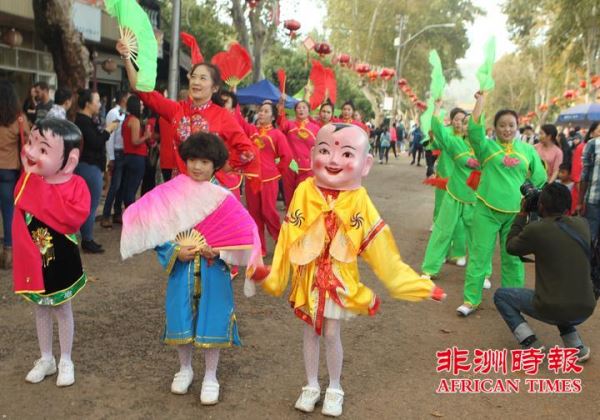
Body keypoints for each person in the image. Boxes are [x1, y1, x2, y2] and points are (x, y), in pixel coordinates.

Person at [252, 123, 445, 417]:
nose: (333, 160)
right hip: (309, 275)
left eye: (346, 154)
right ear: (313, 153)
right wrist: (275, 273)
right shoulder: (305, 190)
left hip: (338, 278)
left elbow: (382, 251)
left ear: (365, 164)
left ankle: (335, 387)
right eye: (325, 150)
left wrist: (415, 284)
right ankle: (311, 384)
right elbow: (289, 236)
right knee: (309, 331)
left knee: (331, 332)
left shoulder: (359, 199)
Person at [120, 132, 263, 405]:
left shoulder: (224, 198)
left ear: (215, 165)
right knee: (180, 316)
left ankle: (211, 375)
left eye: (205, 161)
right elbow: (156, 229)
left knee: (214, 317)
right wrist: (174, 250)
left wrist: (219, 251)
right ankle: (184, 368)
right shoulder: (170, 193)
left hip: (213, 268)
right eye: (193, 159)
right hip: (181, 269)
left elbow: (242, 235)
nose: (197, 166)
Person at [116, 40, 261, 199]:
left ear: (215, 88)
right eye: (194, 77)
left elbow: (248, 151)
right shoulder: (177, 110)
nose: (196, 82)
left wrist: (223, 167)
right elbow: (142, 90)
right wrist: (126, 56)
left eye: (203, 78)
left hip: (212, 191)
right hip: (182, 189)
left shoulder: (223, 116)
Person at [13, 118, 91, 387]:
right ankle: (46, 357)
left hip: (63, 260)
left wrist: (43, 191)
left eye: (43, 149)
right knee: (40, 308)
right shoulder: (28, 180)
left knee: (61, 307)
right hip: (35, 259)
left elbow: (74, 217)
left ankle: (66, 359)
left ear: (69, 161)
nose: (31, 152)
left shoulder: (76, 184)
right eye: (31, 142)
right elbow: (20, 208)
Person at [459, 91, 546, 316]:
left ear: (517, 127)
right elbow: (474, 129)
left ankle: (513, 300)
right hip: (486, 210)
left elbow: (540, 176)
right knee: (479, 255)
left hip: (516, 214)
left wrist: (527, 196)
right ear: (495, 128)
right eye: (502, 125)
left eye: (511, 125)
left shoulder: (528, 150)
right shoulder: (486, 147)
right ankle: (471, 300)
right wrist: (480, 100)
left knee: (513, 259)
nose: (507, 129)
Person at [495, 183, 595, 360]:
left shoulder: (536, 230)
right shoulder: (583, 225)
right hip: (586, 306)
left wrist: (522, 214)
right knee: (563, 295)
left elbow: (511, 247)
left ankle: (531, 344)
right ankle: (576, 348)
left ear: (540, 206)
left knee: (501, 296)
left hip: (553, 307)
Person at [421, 102, 478, 280]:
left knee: (479, 236)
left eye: (466, 121)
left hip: (474, 197)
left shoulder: (483, 145)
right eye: (460, 120)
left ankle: (480, 272)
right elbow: (437, 130)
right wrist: (436, 107)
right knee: (442, 228)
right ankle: (430, 268)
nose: (462, 124)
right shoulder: (453, 141)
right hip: (451, 191)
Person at [74, 89, 119, 254]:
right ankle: (87, 239)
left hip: (86, 165)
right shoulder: (83, 122)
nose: (99, 104)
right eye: (97, 101)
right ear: (88, 104)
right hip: (88, 166)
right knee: (90, 205)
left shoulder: (84, 120)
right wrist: (109, 130)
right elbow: (96, 141)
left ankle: (86, 237)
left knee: (85, 204)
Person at [246, 101, 292, 256]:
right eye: (260, 111)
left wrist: (277, 172)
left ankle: (280, 239)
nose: (261, 113)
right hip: (252, 178)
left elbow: (287, 156)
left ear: (273, 117)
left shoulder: (277, 134)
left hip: (269, 179)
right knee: (254, 214)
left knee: (268, 212)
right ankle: (260, 248)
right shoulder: (252, 131)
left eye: (265, 111)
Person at [0, 80, 30, 269]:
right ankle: (8, 253)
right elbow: (26, 140)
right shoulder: (19, 118)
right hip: (9, 172)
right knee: (9, 213)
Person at [276, 98, 320, 205]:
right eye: (298, 108)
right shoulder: (289, 125)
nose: (301, 110)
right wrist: (281, 107)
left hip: (307, 169)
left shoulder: (316, 128)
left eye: (304, 108)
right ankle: (289, 220)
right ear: (295, 111)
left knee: (304, 200)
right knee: (290, 198)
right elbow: (281, 123)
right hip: (291, 167)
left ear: (308, 111)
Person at [101, 90, 129, 228]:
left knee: (123, 185)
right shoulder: (113, 113)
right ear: (123, 99)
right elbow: (110, 136)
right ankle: (106, 214)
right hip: (117, 153)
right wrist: (110, 157)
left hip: (124, 152)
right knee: (115, 185)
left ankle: (117, 212)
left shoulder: (125, 114)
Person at [122, 95, 151, 206]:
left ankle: (127, 211)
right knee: (132, 188)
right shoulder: (134, 121)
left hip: (129, 156)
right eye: (141, 104)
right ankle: (130, 212)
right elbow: (135, 141)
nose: (142, 106)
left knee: (128, 186)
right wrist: (146, 136)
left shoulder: (127, 120)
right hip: (136, 157)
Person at [577, 121, 600, 241]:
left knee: (591, 236)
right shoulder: (592, 144)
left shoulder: (592, 144)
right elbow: (584, 175)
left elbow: (585, 175)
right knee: (591, 235)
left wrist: (580, 202)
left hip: (594, 199)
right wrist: (580, 202)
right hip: (594, 200)